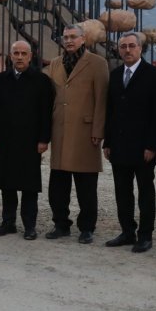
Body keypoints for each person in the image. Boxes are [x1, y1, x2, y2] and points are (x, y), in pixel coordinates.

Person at [45, 24, 108, 244]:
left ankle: (87, 227)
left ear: (83, 39)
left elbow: (101, 99)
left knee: (86, 186)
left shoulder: (98, 63)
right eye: (66, 37)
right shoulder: (54, 63)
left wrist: (99, 130)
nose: (69, 41)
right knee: (58, 186)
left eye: (73, 37)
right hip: (60, 131)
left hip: (85, 131)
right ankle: (61, 224)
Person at [102, 32, 156, 253]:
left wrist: (152, 146)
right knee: (122, 191)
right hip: (118, 145)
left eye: (131, 46)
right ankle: (127, 231)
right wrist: (107, 142)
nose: (127, 50)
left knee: (145, 192)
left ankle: (145, 235)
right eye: (123, 46)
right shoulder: (116, 75)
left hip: (143, 147)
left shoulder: (154, 75)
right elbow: (110, 111)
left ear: (140, 49)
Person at [0, 40, 53, 240]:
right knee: (7, 184)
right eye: (16, 53)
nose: (20, 57)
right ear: (10, 56)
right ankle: (8, 223)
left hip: (30, 142)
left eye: (24, 53)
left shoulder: (41, 81)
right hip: (5, 141)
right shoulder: (0, 80)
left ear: (31, 56)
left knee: (29, 186)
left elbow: (46, 113)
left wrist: (44, 139)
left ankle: (29, 226)